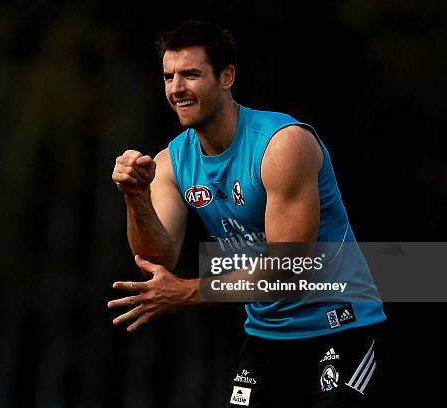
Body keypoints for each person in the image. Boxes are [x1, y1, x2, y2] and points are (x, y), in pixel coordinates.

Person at [108, 20, 386, 407]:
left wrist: (189, 292)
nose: (176, 89)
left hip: (340, 328)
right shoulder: (171, 163)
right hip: (265, 338)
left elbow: (291, 270)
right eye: (169, 76)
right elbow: (157, 261)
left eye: (191, 74)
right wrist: (135, 197)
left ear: (227, 77)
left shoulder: (283, 145)